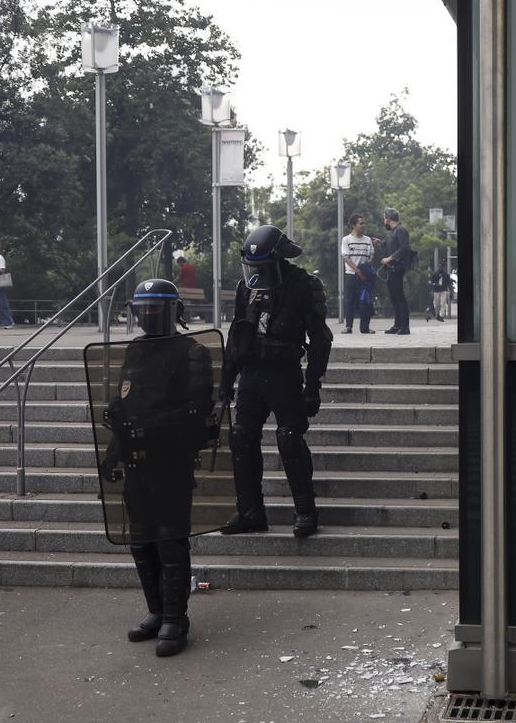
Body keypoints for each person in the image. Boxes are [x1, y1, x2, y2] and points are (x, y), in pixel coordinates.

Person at [98, 278, 215, 657]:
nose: (148, 316)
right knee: (140, 541)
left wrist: (153, 425)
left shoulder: (192, 352)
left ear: (173, 312)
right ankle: (155, 610)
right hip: (137, 461)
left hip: (171, 459)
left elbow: (197, 411)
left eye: (155, 310)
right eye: (141, 310)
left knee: (169, 540)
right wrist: (114, 448)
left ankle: (176, 618)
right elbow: (127, 404)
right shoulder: (135, 350)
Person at [220, 225, 333, 538]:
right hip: (251, 373)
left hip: (283, 372)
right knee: (242, 439)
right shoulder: (247, 287)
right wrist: (226, 379)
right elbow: (237, 335)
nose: (256, 274)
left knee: (289, 438)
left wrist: (313, 387)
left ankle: (306, 511)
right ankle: (250, 512)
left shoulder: (302, 284)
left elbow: (321, 339)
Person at [374, 208, 411, 335]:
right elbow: (393, 245)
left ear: (388, 218)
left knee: (399, 297)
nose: (384, 220)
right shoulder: (393, 232)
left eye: (384, 218)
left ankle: (405, 327)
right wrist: (382, 244)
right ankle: (397, 325)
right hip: (391, 269)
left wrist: (389, 258)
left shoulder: (401, 230)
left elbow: (404, 248)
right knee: (394, 297)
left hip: (397, 268)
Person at [340, 213, 375, 334]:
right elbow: (346, 257)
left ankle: (365, 327)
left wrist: (365, 268)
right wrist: (358, 270)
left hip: (365, 276)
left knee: (365, 300)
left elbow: (371, 255)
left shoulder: (368, 240)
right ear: (353, 225)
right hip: (351, 274)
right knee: (349, 300)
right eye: (361, 223)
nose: (363, 225)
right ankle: (348, 326)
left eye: (363, 223)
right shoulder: (346, 240)